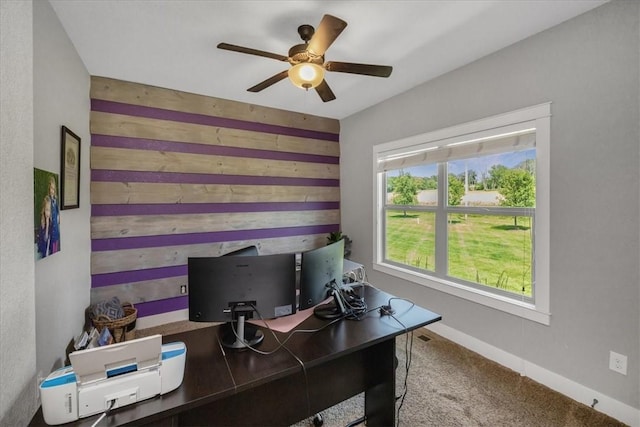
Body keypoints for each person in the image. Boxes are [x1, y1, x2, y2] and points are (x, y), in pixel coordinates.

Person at [48, 175, 60, 254]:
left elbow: (57, 211)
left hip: (56, 228)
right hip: (51, 229)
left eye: (53, 188)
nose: (52, 190)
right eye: (51, 188)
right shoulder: (48, 199)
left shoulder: (55, 200)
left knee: (56, 244)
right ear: (49, 188)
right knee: (52, 248)